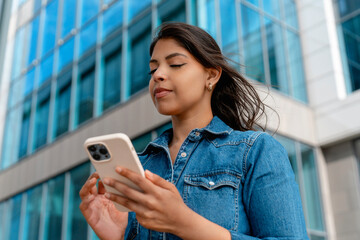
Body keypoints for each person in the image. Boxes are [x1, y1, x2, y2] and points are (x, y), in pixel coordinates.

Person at [79, 22, 309, 240]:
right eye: (153, 69)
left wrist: (185, 223)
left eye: (176, 64)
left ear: (211, 75)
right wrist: (119, 235)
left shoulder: (255, 151)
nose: (158, 74)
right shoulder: (141, 165)